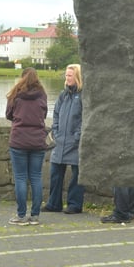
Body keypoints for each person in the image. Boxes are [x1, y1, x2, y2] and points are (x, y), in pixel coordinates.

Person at [5, 67, 49, 225]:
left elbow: (8, 114)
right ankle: (35, 215)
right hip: (37, 141)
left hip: (19, 141)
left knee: (21, 178)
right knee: (36, 177)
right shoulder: (42, 94)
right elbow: (44, 114)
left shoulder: (16, 94)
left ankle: (21, 215)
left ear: (22, 77)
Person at [44, 64, 84, 214]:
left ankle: (75, 204)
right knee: (55, 171)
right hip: (60, 140)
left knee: (77, 174)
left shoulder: (83, 96)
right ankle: (54, 203)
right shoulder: (63, 95)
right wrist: (55, 131)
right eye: (66, 75)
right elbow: (56, 114)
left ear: (77, 77)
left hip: (75, 141)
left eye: (70, 75)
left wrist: (78, 135)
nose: (67, 78)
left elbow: (86, 117)